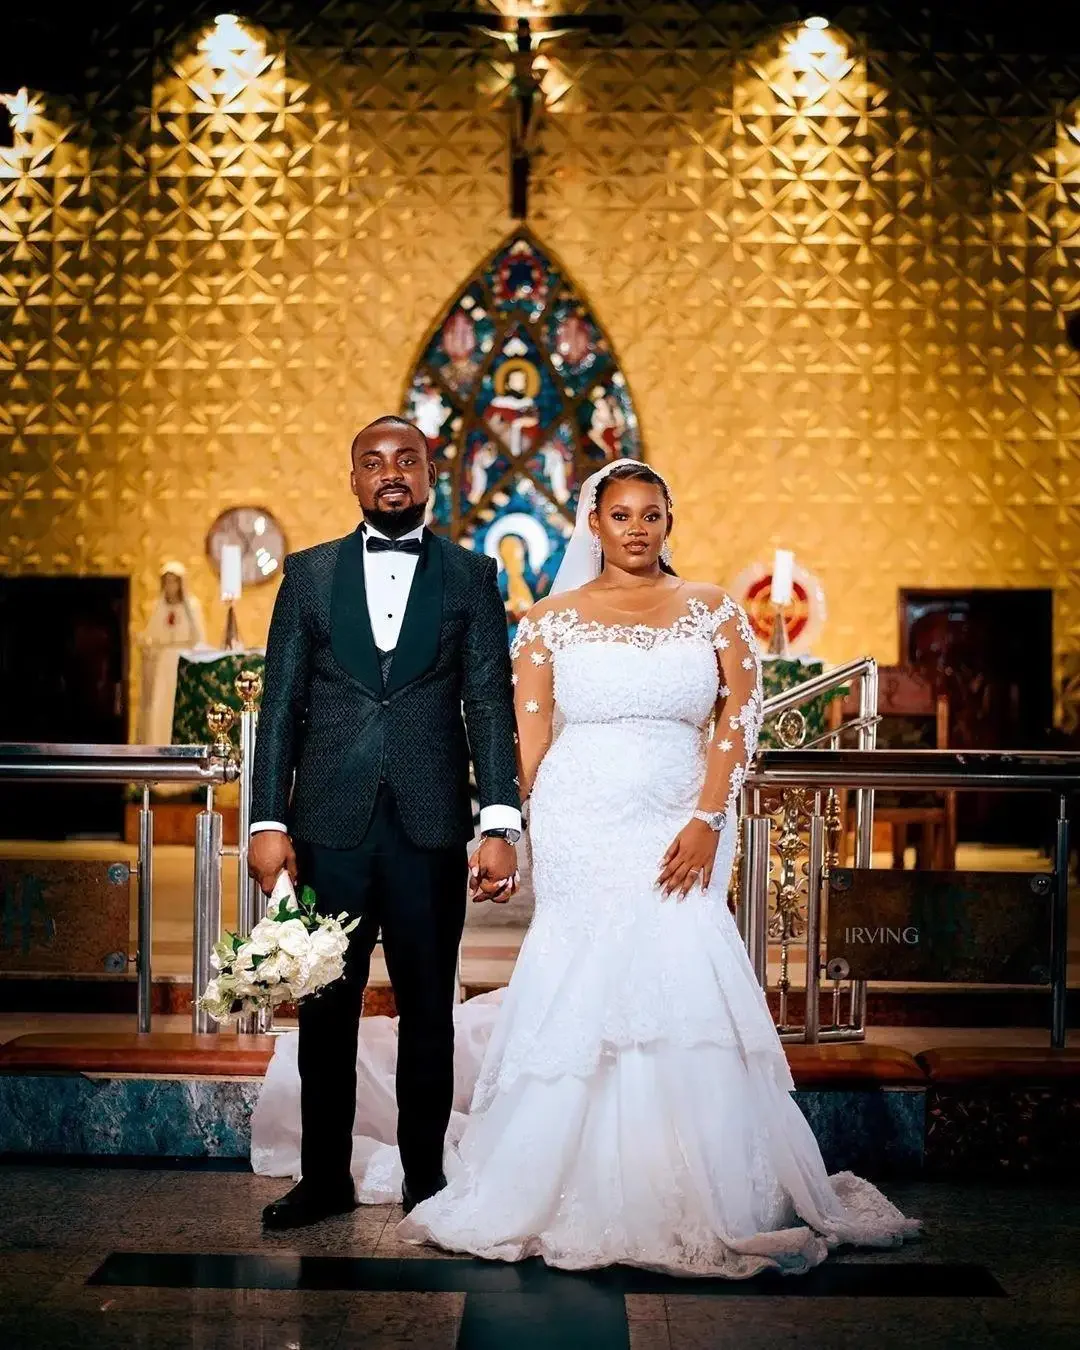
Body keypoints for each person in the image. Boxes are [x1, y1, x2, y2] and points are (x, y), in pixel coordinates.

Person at [252, 458, 918, 1276]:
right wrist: (510, 827)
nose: (637, 528)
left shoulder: (712, 608)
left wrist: (709, 817)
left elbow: (736, 719)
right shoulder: (547, 618)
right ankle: (548, 1178)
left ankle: (695, 1184)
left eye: (651, 514)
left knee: (680, 974)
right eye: (621, 515)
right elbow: (521, 736)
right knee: (581, 981)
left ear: (670, 522)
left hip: (680, 823)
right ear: (592, 524)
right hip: (579, 824)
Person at [248, 415, 521, 1231]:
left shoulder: (473, 577)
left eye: (406, 460)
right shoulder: (307, 574)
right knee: (325, 1008)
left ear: (431, 473)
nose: (390, 473)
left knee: (428, 1008)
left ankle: (426, 1179)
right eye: (373, 463)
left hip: (430, 823)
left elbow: (487, 701)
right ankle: (323, 1176)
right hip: (328, 821)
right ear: (354, 479)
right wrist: (267, 819)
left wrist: (500, 820)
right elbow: (282, 708)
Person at [137, 561, 206, 745]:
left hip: (182, 660)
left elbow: (198, 637)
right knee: (160, 706)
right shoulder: (157, 608)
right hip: (163, 662)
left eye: (174, 581)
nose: (170, 586)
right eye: (167, 582)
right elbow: (151, 636)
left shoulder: (192, 606)